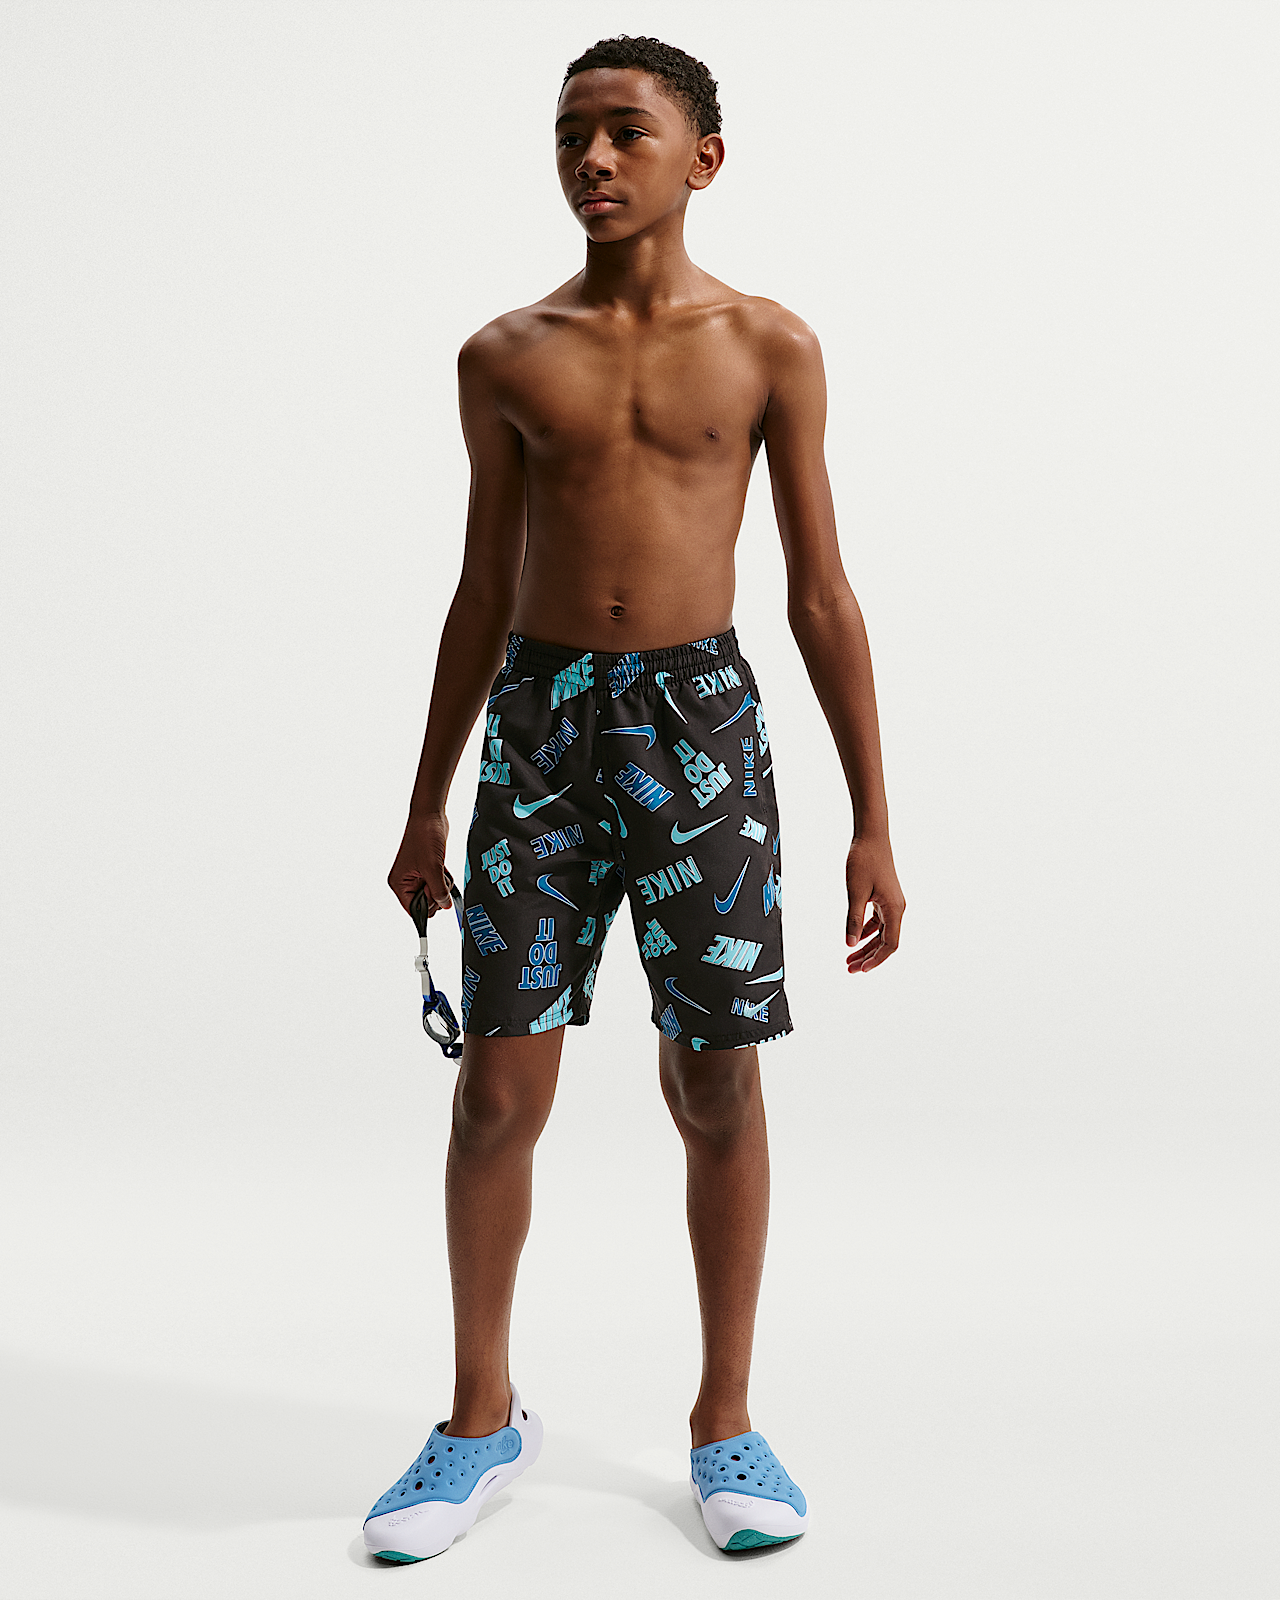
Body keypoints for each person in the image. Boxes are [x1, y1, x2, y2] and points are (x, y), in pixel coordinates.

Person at [362, 34, 905, 1563]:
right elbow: (481, 590)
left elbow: (820, 592)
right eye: (570, 136)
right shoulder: (506, 354)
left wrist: (872, 817)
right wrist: (424, 802)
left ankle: (725, 1419)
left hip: (699, 724)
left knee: (716, 1083)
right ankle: (480, 1418)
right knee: (494, 1094)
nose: (592, 159)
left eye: (625, 132)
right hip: (539, 731)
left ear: (702, 159)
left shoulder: (769, 345)